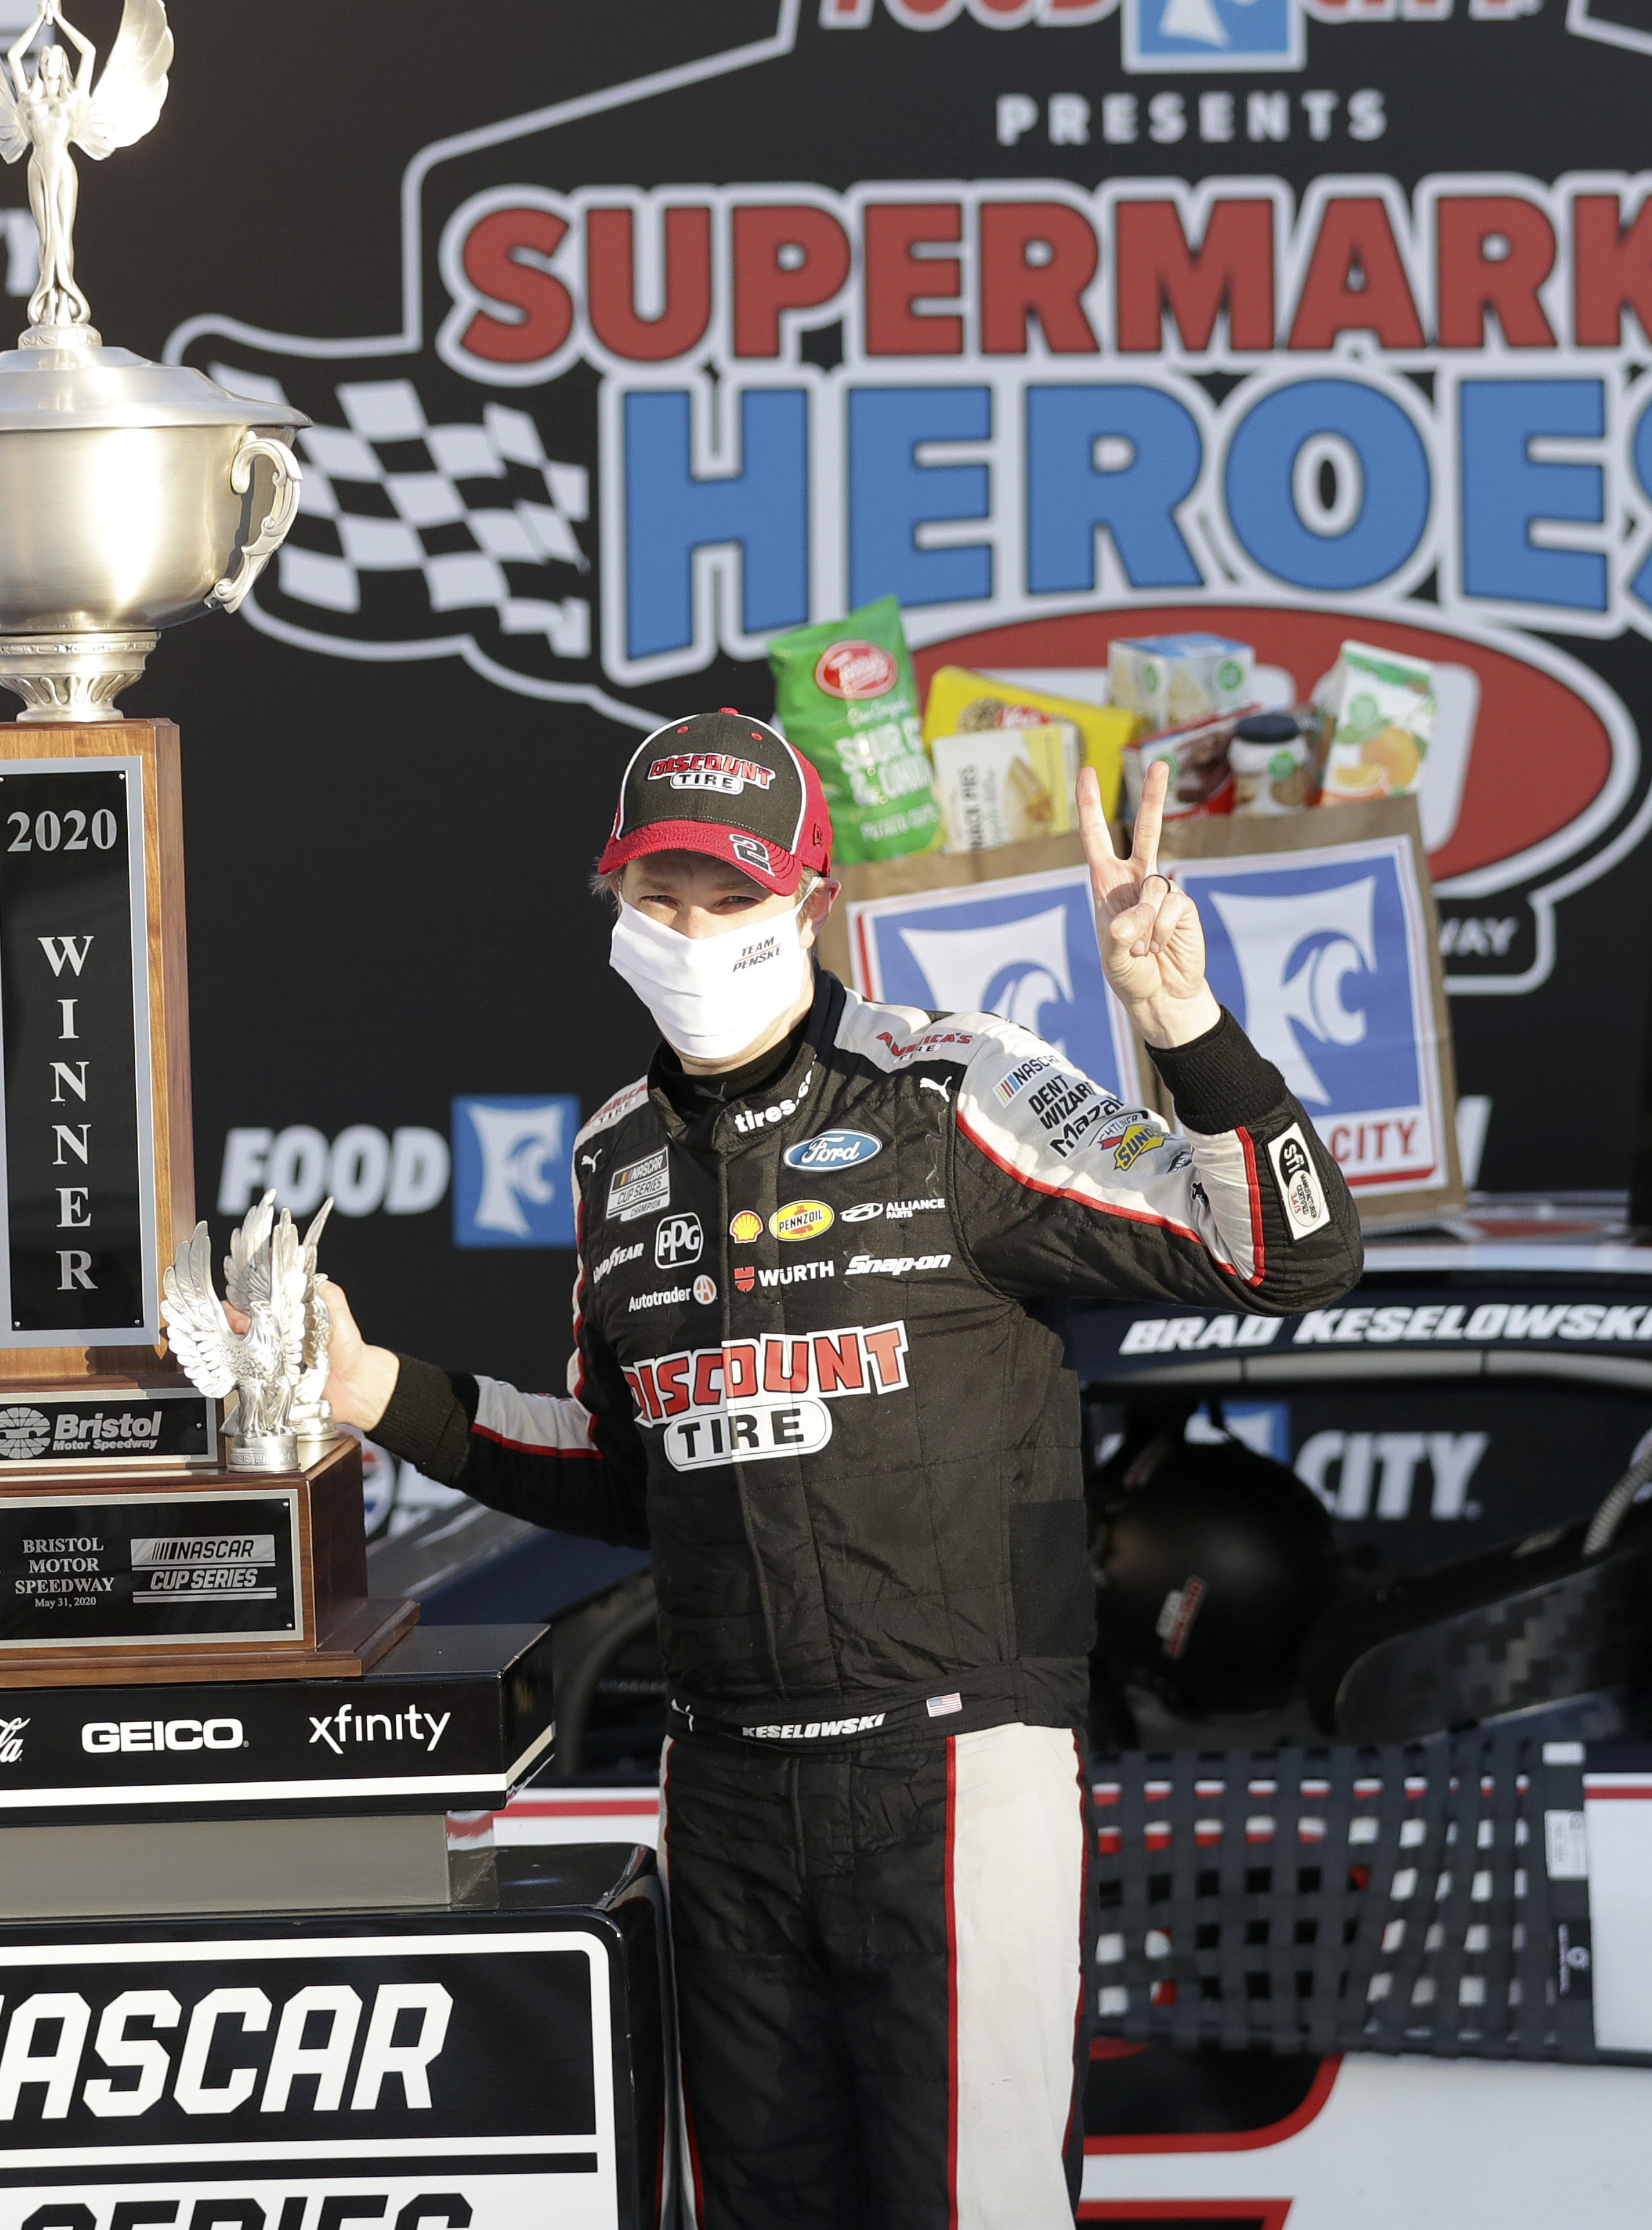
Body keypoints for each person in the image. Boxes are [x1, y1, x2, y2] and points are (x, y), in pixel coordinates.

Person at [305, 708, 1363, 2229]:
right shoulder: (618, 1156)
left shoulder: (954, 1092)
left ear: (808, 904)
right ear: (613, 901)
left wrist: (1182, 1020)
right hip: (728, 1783)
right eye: (656, 897)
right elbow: (627, 1473)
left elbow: (1288, 1254)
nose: (689, 930)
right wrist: (374, 1391)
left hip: (950, 1772)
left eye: (730, 896)